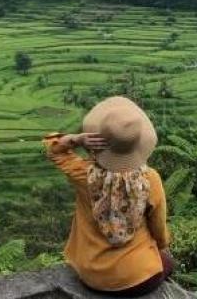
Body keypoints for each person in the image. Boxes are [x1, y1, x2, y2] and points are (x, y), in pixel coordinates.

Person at [43, 96, 173, 297]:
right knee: (167, 262)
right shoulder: (150, 180)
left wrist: (76, 139)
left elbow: (54, 150)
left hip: (91, 276)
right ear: (139, 144)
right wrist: (161, 246)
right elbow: (159, 230)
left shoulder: (83, 175)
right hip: (138, 278)